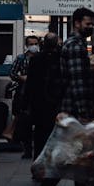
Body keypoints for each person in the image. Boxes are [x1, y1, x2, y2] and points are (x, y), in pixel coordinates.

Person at [29, 7, 94, 186]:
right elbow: (77, 81)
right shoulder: (75, 46)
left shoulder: (76, 44)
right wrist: (86, 114)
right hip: (74, 110)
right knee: (69, 158)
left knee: (76, 157)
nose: (90, 27)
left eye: (92, 23)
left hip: (71, 108)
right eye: (87, 23)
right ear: (76, 23)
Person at [25, 32, 63, 164]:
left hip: (39, 103)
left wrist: (26, 103)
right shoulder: (60, 59)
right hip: (56, 103)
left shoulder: (35, 59)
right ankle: (51, 162)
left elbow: (30, 82)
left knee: (39, 135)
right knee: (55, 134)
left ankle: (38, 163)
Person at [7, 35, 40, 158]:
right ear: (27, 46)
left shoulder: (40, 58)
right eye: (31, 44)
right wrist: (22, 78)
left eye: (35, 43)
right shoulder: (21, 58)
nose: (33, 46)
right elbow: (12, 73)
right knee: (25, 122)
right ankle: (27, 148)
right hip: (23, 93)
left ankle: (36, 148)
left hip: (38, 94)